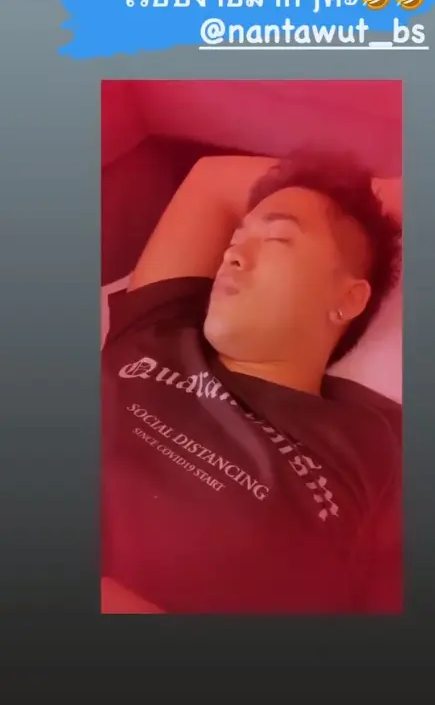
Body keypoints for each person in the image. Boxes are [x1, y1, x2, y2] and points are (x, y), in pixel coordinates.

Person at [102, 152, 403, 613]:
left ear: (348, 297)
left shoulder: (374, 451)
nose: (232, 255)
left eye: (278, 238)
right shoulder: (157, 329)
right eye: (235, 239)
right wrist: (382, 194)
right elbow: (209, 182)